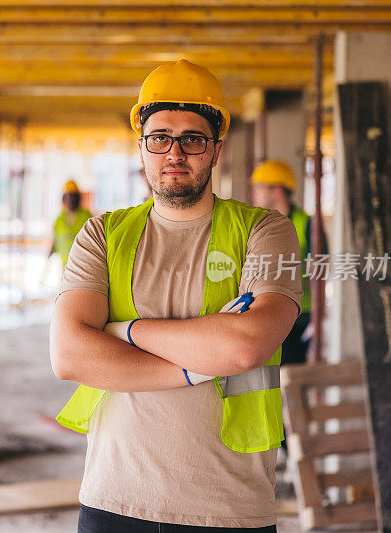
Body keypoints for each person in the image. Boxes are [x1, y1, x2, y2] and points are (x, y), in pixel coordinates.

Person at [50, 59, 302, 532]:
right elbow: (68, 356)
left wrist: (122, 331)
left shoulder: (265, 231)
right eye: (160, 136)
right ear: (142, 147)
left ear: (216, 148)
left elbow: (244, 346)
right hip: (112, 500)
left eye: (193, 138)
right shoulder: (103, 234)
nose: (175, 152)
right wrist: (196, 365)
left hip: (227, 506)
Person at [250, 160, 323, 367]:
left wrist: (319, 319)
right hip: (261, 311)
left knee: (288, 376)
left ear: (278, 190)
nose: (253, 193)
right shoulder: (258, 222)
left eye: (258, 187)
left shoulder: (306, 223)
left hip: (297, 316)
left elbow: (319, 273)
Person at [50, 180, 92, 268]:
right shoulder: (59, 220)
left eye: (73, 196)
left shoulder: (87, 216)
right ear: (64, 199)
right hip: (65, 270)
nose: (71, 200)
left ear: (78, 198)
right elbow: (54, 245)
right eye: (68, 196)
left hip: (84, 269)